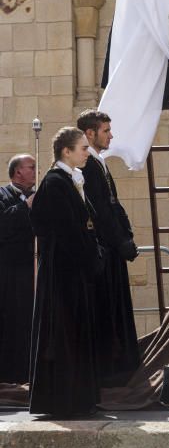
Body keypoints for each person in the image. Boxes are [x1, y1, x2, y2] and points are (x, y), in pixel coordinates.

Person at [29, 128, 101, 418]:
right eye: (83, 148)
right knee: (63, 332)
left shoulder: (69, 180)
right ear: (66, 152)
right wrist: (90, 256)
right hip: (63, 272)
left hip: (72, 269)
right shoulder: (56, 182)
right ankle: (63, 400)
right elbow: (68, 229)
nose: (87, 152)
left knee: (74, 330)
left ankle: (79, 397)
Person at [77, 109, 140, 387]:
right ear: (90, 133)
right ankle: (109, 369)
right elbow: (100, 210)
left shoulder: (98, 162)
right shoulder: (88, 164)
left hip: (113, 246)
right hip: (104, 249)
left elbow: (113, 203)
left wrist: (126, 234)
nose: (111, 135)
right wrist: (118, 241)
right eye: (106, 130)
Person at [0, 154, 35, 384]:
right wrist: (25, 206)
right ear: (17, 172)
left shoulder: (37, 196)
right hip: (9, 273)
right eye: (31, 167)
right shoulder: (3, 195)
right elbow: (4, 224)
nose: (35, 170)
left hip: (31, 271)